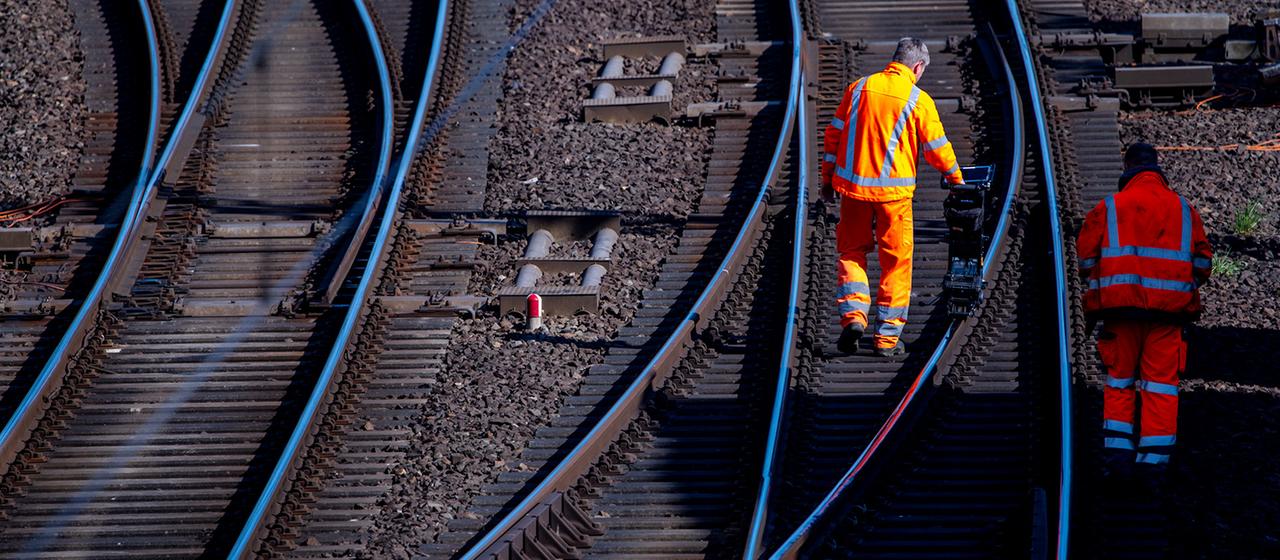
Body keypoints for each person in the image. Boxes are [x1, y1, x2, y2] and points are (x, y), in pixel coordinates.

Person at [821, 37, 964, 356]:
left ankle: (853, 318)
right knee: (896, 263)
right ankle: (886, 339)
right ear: (917, 66)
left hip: (853, 191)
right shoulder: (918, 99)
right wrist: (957, 180)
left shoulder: (859, 88)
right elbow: (937, 149)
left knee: (851, 252)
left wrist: (826, 180)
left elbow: (833, 134)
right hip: (893, 198)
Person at [1077, 143, 1212, 481]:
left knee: (1119, 381)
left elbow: (1086, 260)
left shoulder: (1109, 208)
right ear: (1157, 169)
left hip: (1120, 315)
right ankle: (1153, 463)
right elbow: (1203, 264)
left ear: (1127, 169)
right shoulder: (1184, 209)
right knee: (1161, 386)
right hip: (1167, 317)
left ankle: (1118, 455)